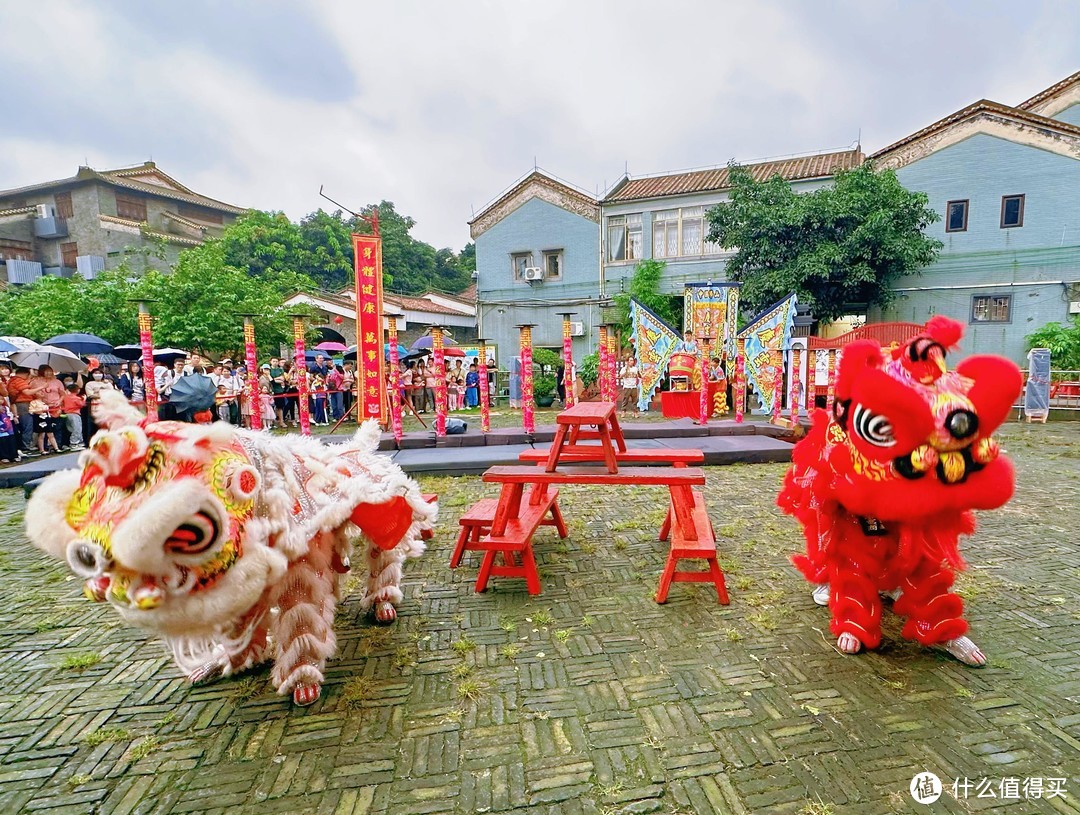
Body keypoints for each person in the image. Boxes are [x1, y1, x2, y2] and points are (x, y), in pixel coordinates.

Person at [61, 382, 86, 450]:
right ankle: (74, 443)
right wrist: (84, 399)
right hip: (74, 414)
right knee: (77, 429)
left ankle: (78, 442)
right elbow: (81, 405)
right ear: (77, 390)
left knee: (71, 428)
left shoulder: (66, 397)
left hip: (67, 414)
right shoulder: (76, 398)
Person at [0, 399, 18, 463]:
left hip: (8, 428)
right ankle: (4, 457)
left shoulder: (6, 408)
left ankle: (14, 456)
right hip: (1, 431)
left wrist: (15, 417)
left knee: (11, 441)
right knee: (2, 442)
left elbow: (10, 415)